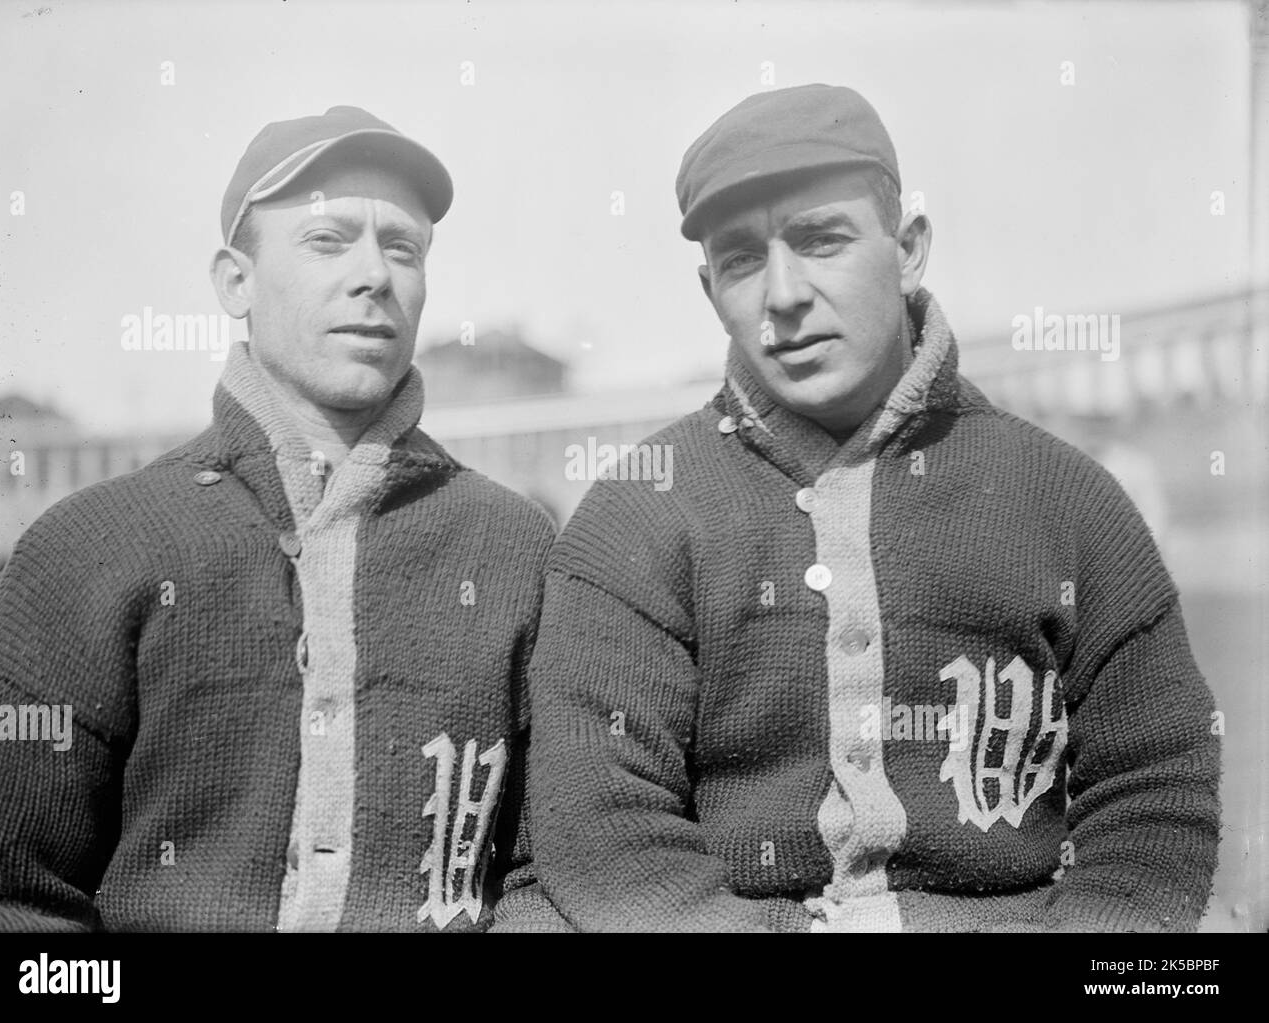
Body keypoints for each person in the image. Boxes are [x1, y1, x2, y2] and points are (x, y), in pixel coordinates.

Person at [501, 84, 1221, 932]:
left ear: (909, 248)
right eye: (741, 259)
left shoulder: (1065, 498)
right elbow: (603, 819)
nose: (783, 295)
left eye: (822, 240)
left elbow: (1156, 786)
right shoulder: (638, 511)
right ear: (710, 290)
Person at [0, 106, 554, 932]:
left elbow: (558, 874)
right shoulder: (90, 545)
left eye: (403, 248)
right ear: (234, 280)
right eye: (327, 240)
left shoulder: (515, 545)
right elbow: (4, 902)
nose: (374, 277)